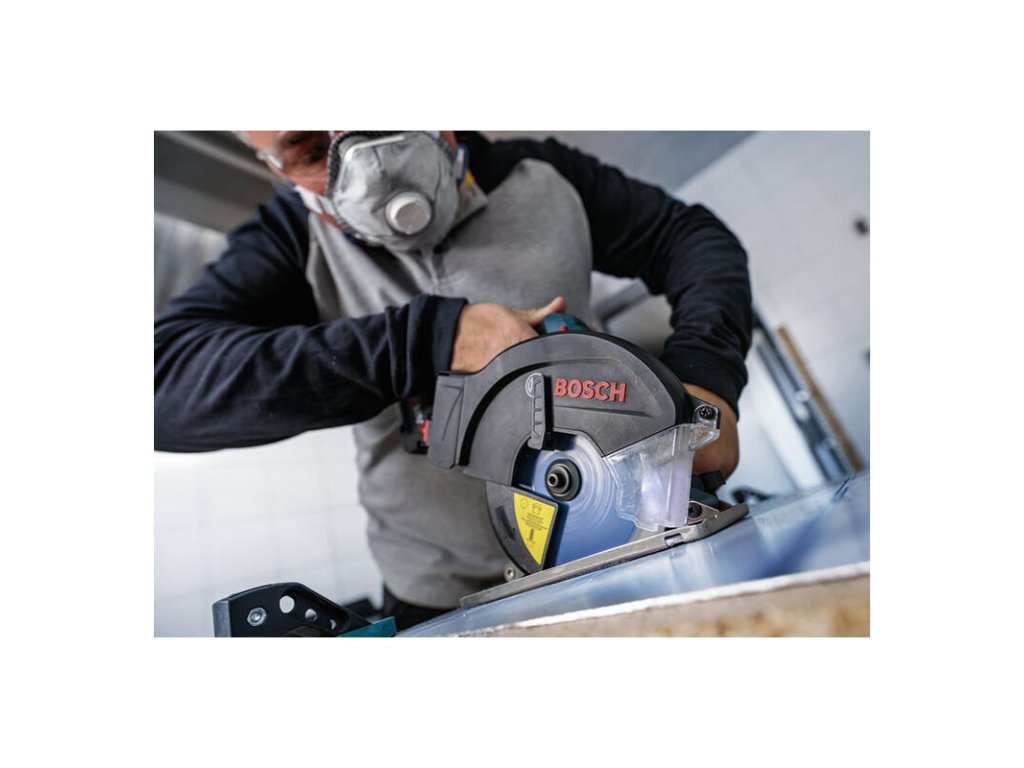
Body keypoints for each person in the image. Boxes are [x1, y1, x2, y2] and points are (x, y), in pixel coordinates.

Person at [154, 131, 752, 629]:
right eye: (311, 150)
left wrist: (706, 381)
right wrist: (429, 340)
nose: (367, 163)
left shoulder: (540, 174)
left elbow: (692, 238)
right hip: (437, 598)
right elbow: (161, 387)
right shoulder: (289, 241)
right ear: (276, 169)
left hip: (624, 546)